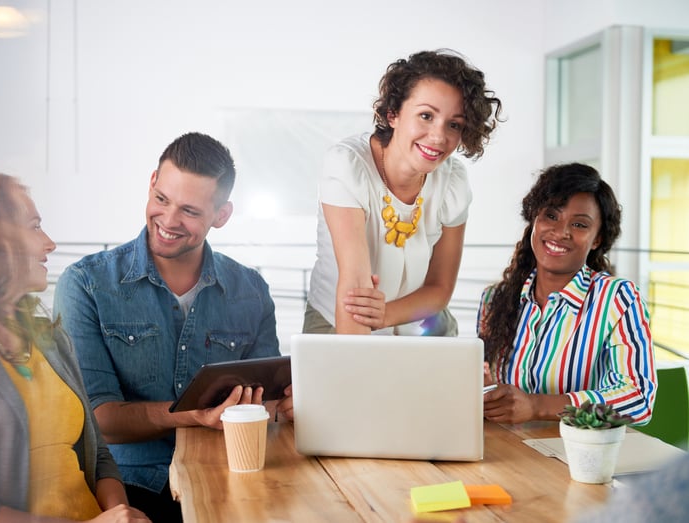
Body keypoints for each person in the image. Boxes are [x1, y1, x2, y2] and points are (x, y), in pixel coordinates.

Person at [53, 132, 292, 523]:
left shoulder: (251, 290)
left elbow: (264, 402)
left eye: (190, 212)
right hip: (130, 489)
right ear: (151, 182)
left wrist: (285, 407)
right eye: (161, 199)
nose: (168, 221)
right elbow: (99, 419)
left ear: (222, 216)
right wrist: (190, 416)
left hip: (231, 478)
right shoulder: (85, 284)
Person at [0, 171, 149, 522]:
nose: (50, 243)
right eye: (33, 227)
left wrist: (121, 513)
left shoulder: (51, 339)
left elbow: (98, 455)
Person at [303, 49, 503, 335]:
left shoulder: (453, 180)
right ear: (393, 113)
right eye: (425, 116)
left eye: (454, 124)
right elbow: (355, 292)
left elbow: (440, 288)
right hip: (341, 317)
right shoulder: (347, 164)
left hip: (420, 318)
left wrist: (386, 316)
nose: (438, 136)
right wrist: (352, 372)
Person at [477, 163, 657, 425]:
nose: (561, 232)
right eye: (551, 216)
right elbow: (490, 388)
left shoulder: (618, 299)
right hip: (507, 452)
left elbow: (637, 399)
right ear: (534, 220)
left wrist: (538, 405)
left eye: (579, 224)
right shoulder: (495, 299)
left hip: (579, 455)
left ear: (596, 239)